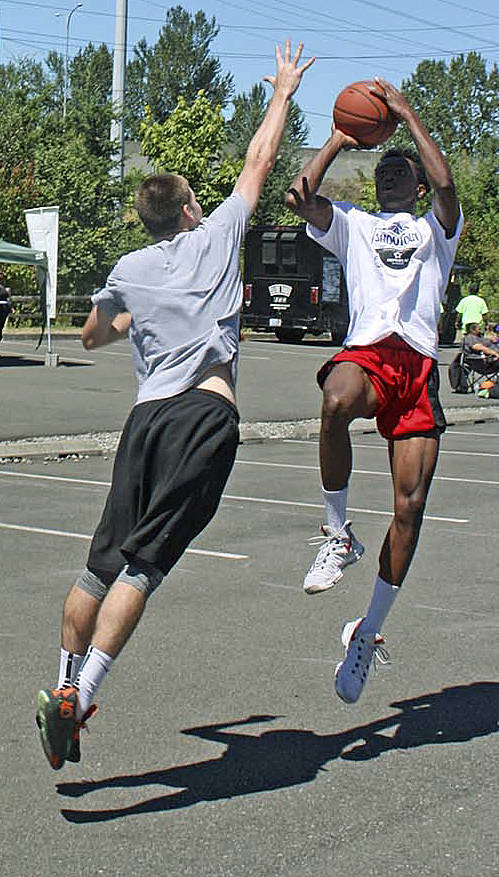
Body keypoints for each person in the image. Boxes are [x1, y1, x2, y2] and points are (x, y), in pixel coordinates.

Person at [36, 40, 314, 770]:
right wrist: (281, 90)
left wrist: (128, 318)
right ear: (191, 208)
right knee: (144, 569)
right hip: (203, 415)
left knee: (98, 568)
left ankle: (60, 684)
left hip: (145, 420)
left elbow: (94, 336)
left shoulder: (129, 269)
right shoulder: (218, 235)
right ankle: (84, 692)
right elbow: (257, 160)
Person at [286, 77, 462, 704]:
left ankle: (368, 632)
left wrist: (408, 114)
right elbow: (299, 195)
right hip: (368, 352)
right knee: (335, 396)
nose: (389, 177)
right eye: (381, 170)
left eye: (400, 172)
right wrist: (340, 135)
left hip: (416, 365)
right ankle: (338, 532)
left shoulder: (435, 230)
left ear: (413, 187)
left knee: (409, 510)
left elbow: (445, 186)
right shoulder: (353, 224)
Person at [0, 269, 14, 341]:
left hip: (4, 307)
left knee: (2, 324)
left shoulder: (4, 284)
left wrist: (11, 307)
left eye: (1, 274)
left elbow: (8, 297)